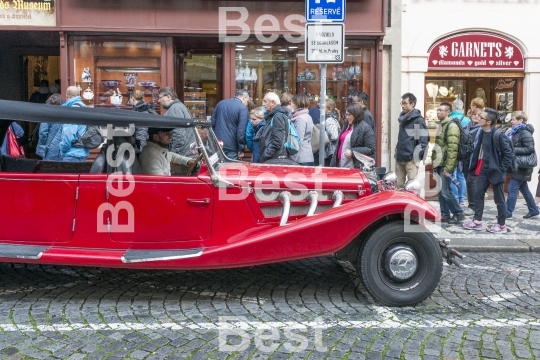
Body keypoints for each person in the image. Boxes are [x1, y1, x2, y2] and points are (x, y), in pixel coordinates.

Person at [463, 107, 514, 233]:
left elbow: (509, 154)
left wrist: (501, 168)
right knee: (478, 194)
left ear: (489, 122)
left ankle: (501, 225)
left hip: (496, 170)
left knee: (499, 199)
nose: (478, 118)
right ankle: (477, 221)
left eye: (481, 117)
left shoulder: (498, 135)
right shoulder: (482, 131)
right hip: (484, 169)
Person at [431, 102, 464, 224]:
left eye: (441, 110)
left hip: (446, 164)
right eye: (437, 110)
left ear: (447, 112)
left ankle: (458, 213)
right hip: (440, 162)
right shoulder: (441, 125)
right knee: (440, 191)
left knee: (446, 191)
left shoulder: (452, 126)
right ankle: (445, 214)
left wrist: (448, 167)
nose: (438, 112)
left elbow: (452, 148)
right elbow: (438, 146)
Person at [505, 111, 539, 219]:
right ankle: (533, 210)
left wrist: (512, 150)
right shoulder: (514, 131)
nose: (512, 121)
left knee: (512, 188)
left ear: (521, 120)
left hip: (523, 166)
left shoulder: (525, 132)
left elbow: (529, 149)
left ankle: (507, 213)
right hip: (518, 165)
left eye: (514, 119)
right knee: (524, 189)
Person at [394, 93, 429, 188]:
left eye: (405, 103)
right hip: (400, 157)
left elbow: (422, 141)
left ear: (412, 104)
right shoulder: (403, 118)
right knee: (399, 186)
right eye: (402, 103)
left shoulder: (417, 120)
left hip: (411, 160)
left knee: (411, 187)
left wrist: (416, 156)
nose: (402, 106)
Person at [330, 103, 375, 169]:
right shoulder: (346, 125)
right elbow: (338, 146)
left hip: (354, 166)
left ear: (356, 114)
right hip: (340, 164)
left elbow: (371, 149)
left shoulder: (365, 128)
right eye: (346, 114)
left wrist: (353, 152)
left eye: (349, 114)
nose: (347, 117)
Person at [211, 90, 249, 160]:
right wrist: (241, 148)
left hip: (217, 144)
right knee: (230, 169)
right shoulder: (243, 109)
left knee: (217, 169)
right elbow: (241, 131)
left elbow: (212, 123)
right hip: (232, 147)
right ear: (244, 98)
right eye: (247, 101)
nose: (247, 104)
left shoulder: (220, 103)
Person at [158, 87, 196, 158]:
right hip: (187, 153)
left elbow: (178, 134)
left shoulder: (175, 109)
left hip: (183, 155)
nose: (158, 100)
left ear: (168, 97)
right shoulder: (178, 106)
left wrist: (173, 155)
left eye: (160, 98)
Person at [449, 99, 472, 206]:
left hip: (452, 150)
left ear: (452, 107)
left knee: (452, 174)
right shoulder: (467, 120)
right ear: (462, 108)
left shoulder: (449, 119)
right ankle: (462, 198)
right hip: (463, 150)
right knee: (461, 175)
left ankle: (455, 197)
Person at [59, 86, 89, 162]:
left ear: (66, 96)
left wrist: (62, 149)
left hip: (71, 154)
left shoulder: (71, 111)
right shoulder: (84, 108)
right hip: (83, 152)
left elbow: (68, 136)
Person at [463, 106, 483, 216]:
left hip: (476, 159)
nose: (476, 116)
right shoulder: (465, 127)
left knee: (472, 183)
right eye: (475, 114)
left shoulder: (482, 129)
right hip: (466, 159)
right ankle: (473, 205)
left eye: (479, 115)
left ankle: (473, 206)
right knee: (469, 182)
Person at [259, 92, 290, 162]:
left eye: (265, 101)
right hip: (274, 157)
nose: (263, 104)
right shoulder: (276, 115)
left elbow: (278, 141)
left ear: (273, 102)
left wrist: (265, 155)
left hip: (274, 159)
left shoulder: (277, 117)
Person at [36, 93, 65, 160]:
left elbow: (43, 132)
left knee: (49, 168)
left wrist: (41, 146)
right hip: (64, 147)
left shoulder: (47, 114)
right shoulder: (66, 114)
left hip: (49, 148)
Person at [288, 94, 314, 166]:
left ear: (297, 103)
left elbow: (297, 141)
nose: (291, 105)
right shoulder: (307, 116)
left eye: (292, 102)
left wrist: (292, 160)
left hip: (301, 159)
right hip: (306, 156)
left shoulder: (300, 119)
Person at [321, 99, 341, 167]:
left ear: (329, 110)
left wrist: (323, 136)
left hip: (330, 151)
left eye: (322, 107)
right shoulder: (332, 118)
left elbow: (334, 136)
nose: (320, 109)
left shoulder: (329, 120)